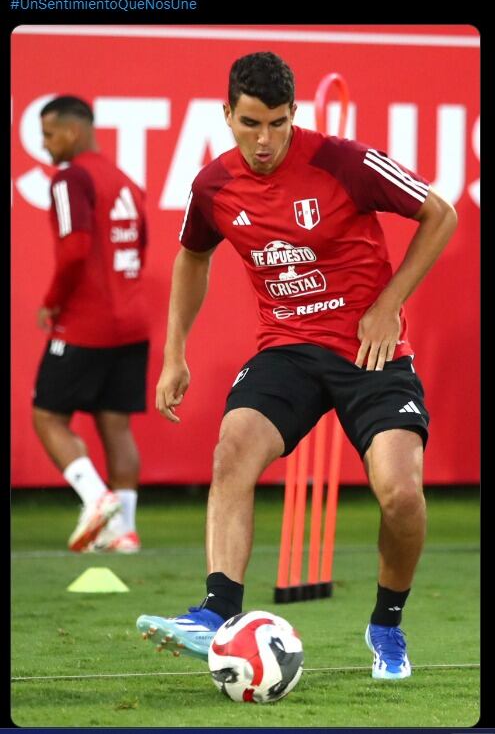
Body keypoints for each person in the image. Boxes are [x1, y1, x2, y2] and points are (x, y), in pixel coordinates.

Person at [137, 52, 457, 678]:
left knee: (401, 495)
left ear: (294, 115)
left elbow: (438, 214)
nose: (264, 140)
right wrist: (175, 352)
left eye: (278, 124)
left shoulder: (344, 161)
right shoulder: (213, 186)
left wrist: (388, 304)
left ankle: (387, 623)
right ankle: (215, 612)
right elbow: (191, 258)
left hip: (372, 352)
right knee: (232, 449)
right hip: (286, 348)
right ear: (227, 114)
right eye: (251, 123)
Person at [32, 96, 150, 554]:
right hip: (131, 321)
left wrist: (52, 302)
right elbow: (140, 247)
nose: (46, 146)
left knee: (47, 416)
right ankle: (125, 533)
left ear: (74, 131)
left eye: (49, 134)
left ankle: (95, 498)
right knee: (116, 426)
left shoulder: (70, 177)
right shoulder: (125, 181)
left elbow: (76, 250)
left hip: (86, 321)